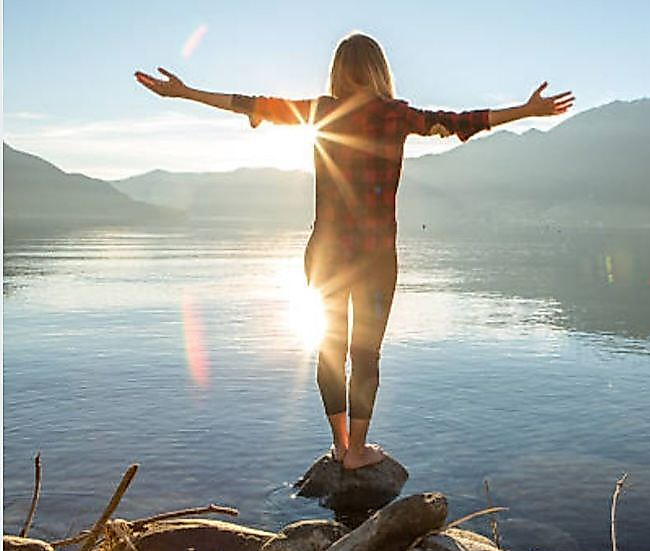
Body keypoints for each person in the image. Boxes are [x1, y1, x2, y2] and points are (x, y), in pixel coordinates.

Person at [136, 32, 574, 469]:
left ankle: (342, 445)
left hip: (325, 252)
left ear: (338, 71)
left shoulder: (321, 112)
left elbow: (249, 103)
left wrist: (185, 92)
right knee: (366, 353)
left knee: (330, 347)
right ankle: (359, 452)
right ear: (381, 70)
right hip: (376, 256)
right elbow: (462, 121)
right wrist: (527, 110)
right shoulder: (397, 115)